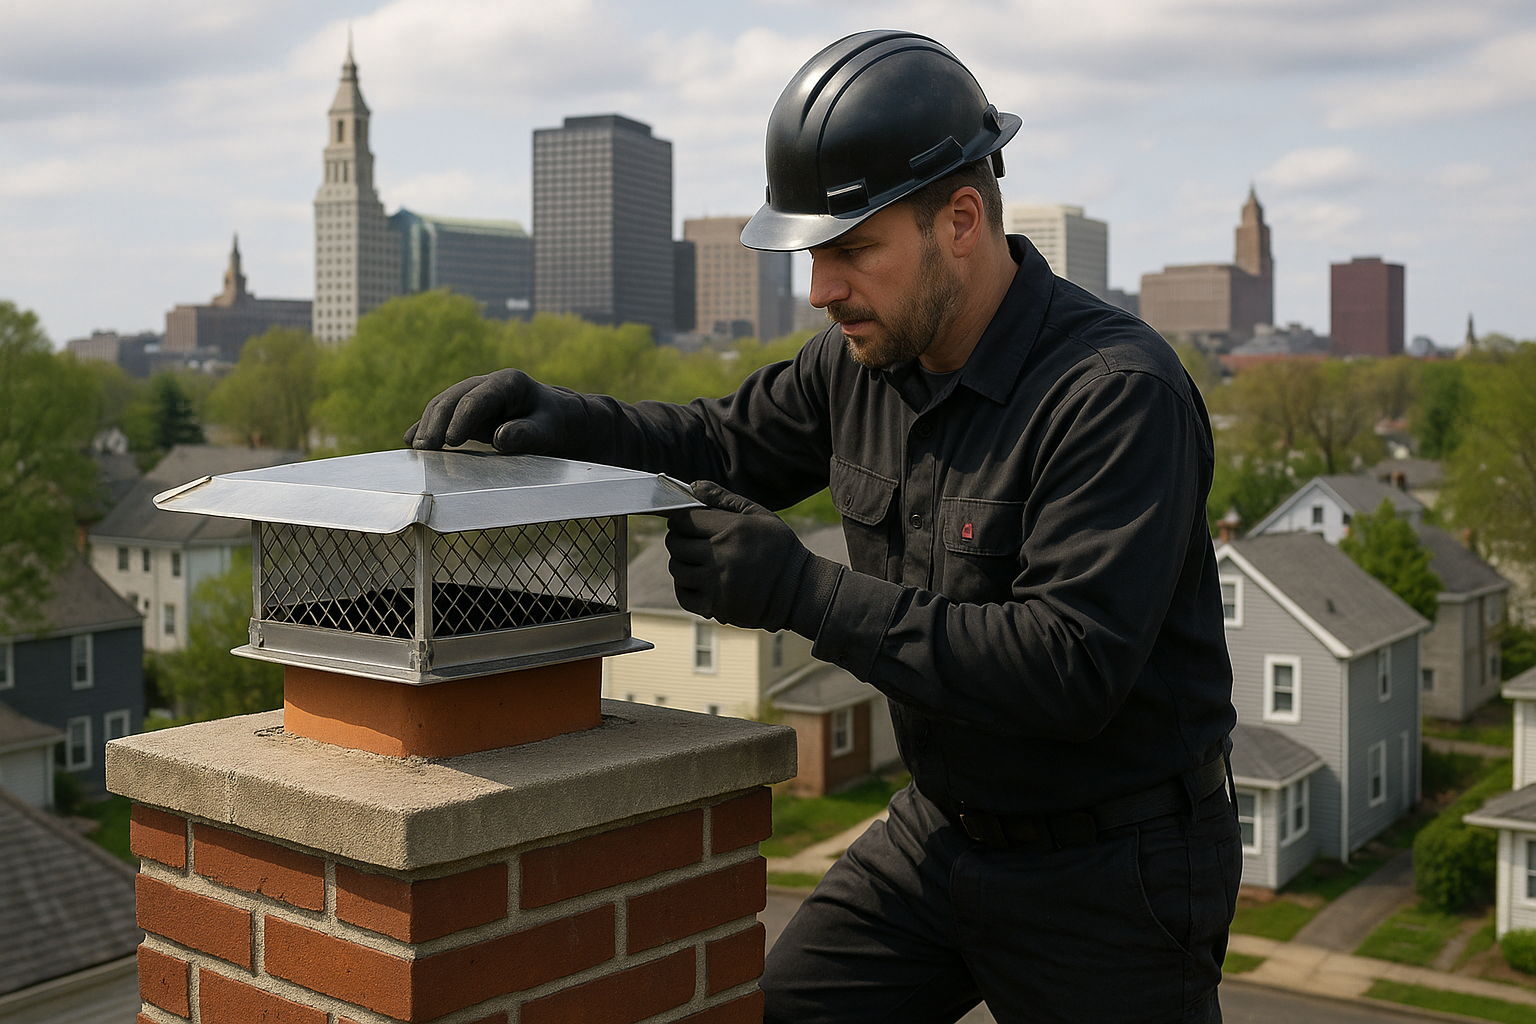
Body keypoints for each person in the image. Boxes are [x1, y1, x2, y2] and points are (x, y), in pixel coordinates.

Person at [406, 29, 1239, 1024]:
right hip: (941, 833)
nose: (821, 289)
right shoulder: (860, 360)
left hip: (1114, 870)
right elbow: (723, 442)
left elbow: (1068, 669)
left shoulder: (1114, 396)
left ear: (960, 220)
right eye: (812, 253)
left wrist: (803, 590)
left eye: (850, 250)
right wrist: (569, 420)